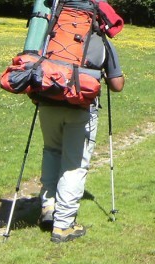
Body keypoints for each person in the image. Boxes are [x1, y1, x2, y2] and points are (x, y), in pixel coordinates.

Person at [38, 13, 125, 244]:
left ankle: (49, 206)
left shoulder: (51, 33)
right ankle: (64, 225)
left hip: (47, 102)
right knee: (74, 165)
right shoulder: (101, 40)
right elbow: (117, 86)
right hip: (81, 107)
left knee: (52, 151)